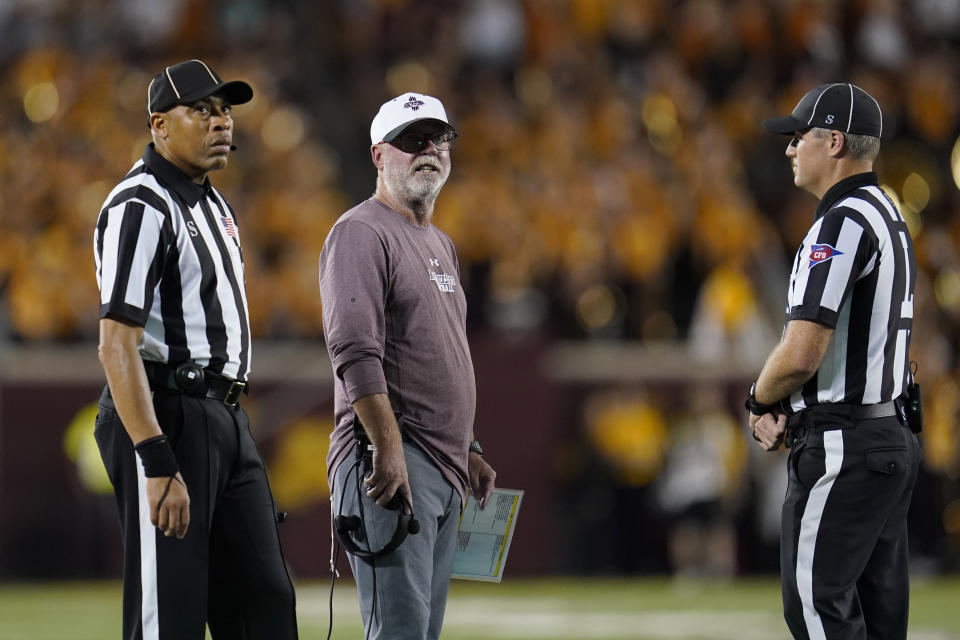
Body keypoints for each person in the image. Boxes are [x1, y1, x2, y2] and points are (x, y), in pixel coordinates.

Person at [93, 59, 298, 639]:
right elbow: (116, 345)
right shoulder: (142, 203)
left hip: (226, 415)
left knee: (265, 603)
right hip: (169, 414)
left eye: (225, 110)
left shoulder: (214, 205)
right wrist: (157, 461)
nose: (221, 122)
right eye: (201, 110)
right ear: (159, 125)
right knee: (170, 616)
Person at [746, 83, 921, 639]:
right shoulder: (888, 211)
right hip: (888, 433)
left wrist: (759, 398)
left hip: (847, 445)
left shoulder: (842, 222)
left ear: (836, 141)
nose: (791, 148)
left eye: (800, 136)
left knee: (816, 608)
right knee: (878, 617)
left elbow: (801, 351)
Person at [319, 92, 497, 640]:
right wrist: (389, 448)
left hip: (439, 463)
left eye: (439, 139)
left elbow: (435, 353)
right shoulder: (360, 231)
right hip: (390, 457)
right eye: (411, 141)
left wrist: (467, 446)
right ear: (378, 155)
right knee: (399, 632)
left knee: (419, 632)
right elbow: (353, 349)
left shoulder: (440, 243)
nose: (429, 151)